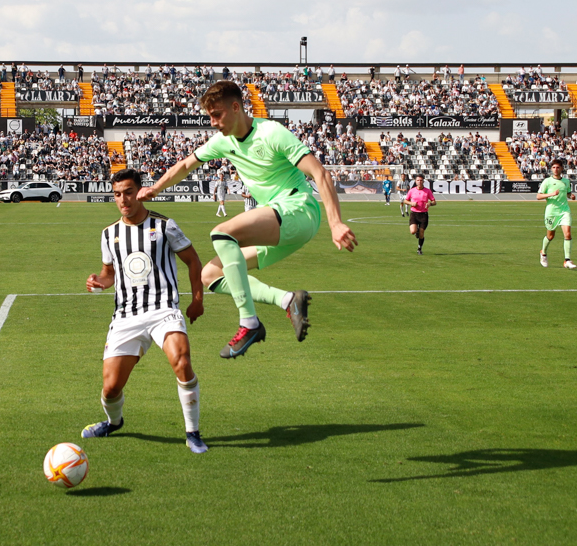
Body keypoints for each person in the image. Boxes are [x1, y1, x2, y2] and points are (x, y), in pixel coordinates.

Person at [138, 81, 357, 359]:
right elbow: (184, 165)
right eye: (210, 117)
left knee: (221, 233)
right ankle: (288, 300)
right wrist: (155, 188)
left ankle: (249, 323)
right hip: (276, 225)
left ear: (236, 107)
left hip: (298, 210)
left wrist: (335, 223)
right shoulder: (223, 142)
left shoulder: (271, 133)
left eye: (217, 115)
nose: (214, 123)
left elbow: (320, 174)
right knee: (211, 275)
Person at [83, 169, 209, 454]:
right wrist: (98, 282)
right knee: (111, 388)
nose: (123, 200)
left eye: (129, 192)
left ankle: (193, 432)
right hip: (126, 315)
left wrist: (197, 299)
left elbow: (193, 261)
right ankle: (114, 423)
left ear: (140, 192)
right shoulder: (109, 234)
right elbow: (109, 274)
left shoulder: (164, 225)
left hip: (163, 309)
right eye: (117, 194)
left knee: (182, 360)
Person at [537, 159, 577, 269]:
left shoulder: (566, 181)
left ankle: (567, 260)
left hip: (564, 211)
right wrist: (551, 194)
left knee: (567, 234)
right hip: (551, 212)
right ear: (551, 169)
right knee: (550, 236)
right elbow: (538, 196)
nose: (556, 169)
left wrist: (571, 196)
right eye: (554, 167)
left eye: (558, 167)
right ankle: (543, 253)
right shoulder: (547, 181)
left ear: (562, 169)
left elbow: (568, 193)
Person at [403, 174, 436, 255]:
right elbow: (405, 200)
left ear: (423, 181)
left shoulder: (427, 191)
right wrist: (411, 203)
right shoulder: (412, 190)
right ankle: (416, 231)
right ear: (415, 181)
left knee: (421, 233)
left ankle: (419, 248)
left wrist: (430, 204)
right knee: (413, 231)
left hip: (423, 214)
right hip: (414, 214)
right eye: (418, 180)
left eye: (421, 180)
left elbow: (434, 202)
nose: (419, 182)